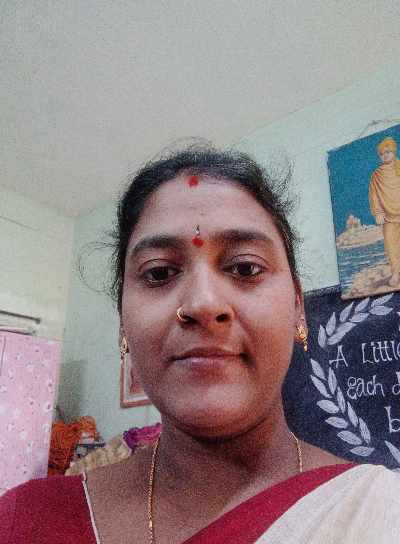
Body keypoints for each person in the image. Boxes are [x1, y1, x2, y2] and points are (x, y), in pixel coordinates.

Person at [1, 145, 400, 543]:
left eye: (245, 267)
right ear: (122, 320)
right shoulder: (25, 521)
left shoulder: (379, 514)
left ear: (298, 307)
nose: (203, 304)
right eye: (159, 273)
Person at [369, 136, 400, 286]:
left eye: (387, 152)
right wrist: (378, 212)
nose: (385, 155)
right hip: (388, 217)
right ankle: (395, 273)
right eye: (382, 153)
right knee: (391, 246)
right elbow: (374, 195)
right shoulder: (376, 175)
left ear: (393, 151)